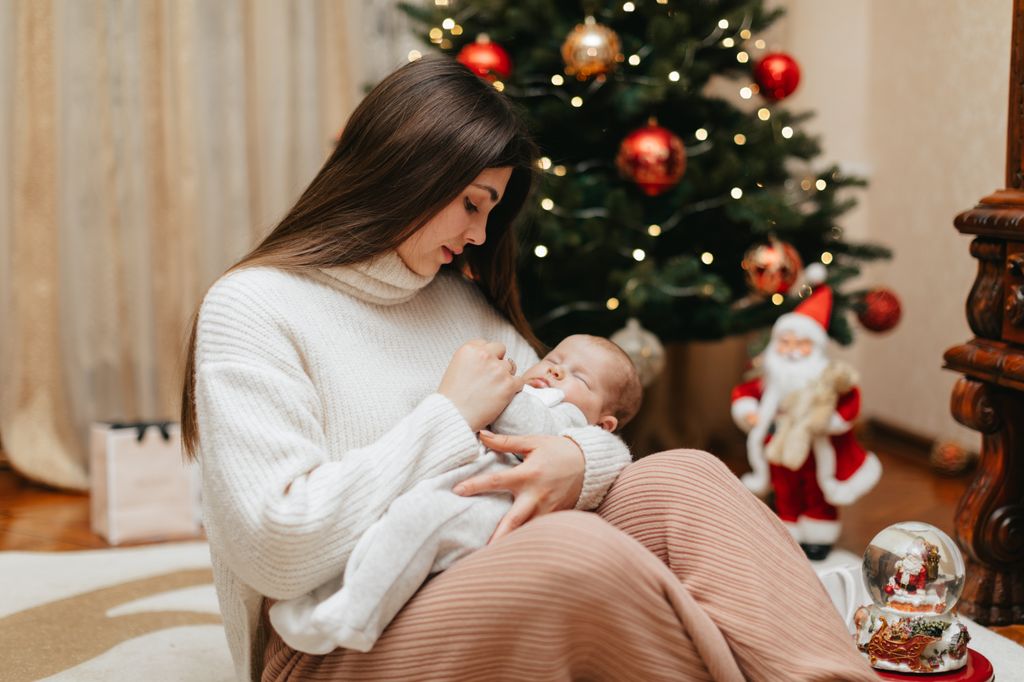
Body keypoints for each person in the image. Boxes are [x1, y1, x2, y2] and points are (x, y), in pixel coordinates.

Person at [181, 55, 876, 681]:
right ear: (406, 172)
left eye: (491, 211)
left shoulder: (456, 301)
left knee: (686, 476)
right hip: (332, 636)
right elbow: (278, 547)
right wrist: (448, 419)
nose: (480, 235)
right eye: (472, 204)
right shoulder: (255, 306)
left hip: (470, 572)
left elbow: (574, 425)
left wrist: (577, 459)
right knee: (576, 555)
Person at [268, 334, 644, 655]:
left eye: (580, 377)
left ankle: (356, 620)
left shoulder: (570, 419)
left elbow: (524, 423)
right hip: (458, 491)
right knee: (388, 532)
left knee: (418, 522)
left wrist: (499, 386)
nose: (557, 372)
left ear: (604, 424)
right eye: (554, 360)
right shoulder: (535, 390)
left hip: (491, 506)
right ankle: (325, 602)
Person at [731, 286, 882, 560]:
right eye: (785, 343)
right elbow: (745, 393)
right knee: (784, 488)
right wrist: (749, 411)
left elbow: (849, 401)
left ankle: (818, 534)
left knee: (815, 489)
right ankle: (787, 528)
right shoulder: (769, 378)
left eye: (801, 344)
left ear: (815, 348)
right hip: (777, 443)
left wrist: (827, 421)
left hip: (814, 446)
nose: (792, 351)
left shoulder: (825, 378)